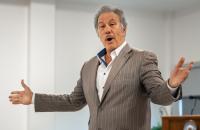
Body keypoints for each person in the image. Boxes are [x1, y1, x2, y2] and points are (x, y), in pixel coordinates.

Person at [9, 5, 193, 130]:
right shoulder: (88, 67)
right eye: (101, 26)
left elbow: (158, 96)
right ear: (98, 33)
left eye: (112, 24)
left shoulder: (142, 59)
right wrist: (34, 98)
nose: (107, 29)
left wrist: (171, 84)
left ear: (124, 29)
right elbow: (74, 101)